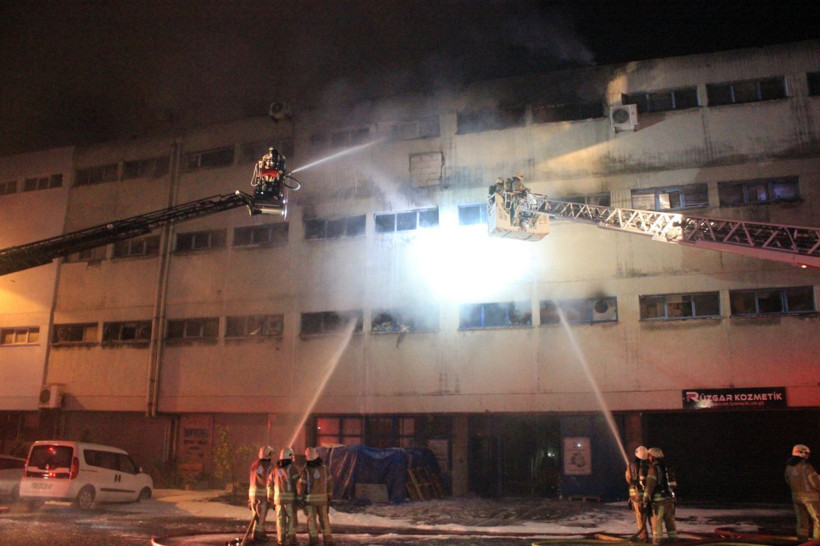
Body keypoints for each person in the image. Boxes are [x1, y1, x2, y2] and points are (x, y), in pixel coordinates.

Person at [298, 447, 334, 546]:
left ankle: (314, 541)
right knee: (324, 521)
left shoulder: (306, 470)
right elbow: (330, 483)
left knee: (312, 522)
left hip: (310, 502)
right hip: (323, 500)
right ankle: (328, 540)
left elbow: (302, 485)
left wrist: (300, 498)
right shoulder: (325, 469)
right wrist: (329, 496)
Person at [785, 443, 820, 542]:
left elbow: (788, 481)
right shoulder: (806, 466)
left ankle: (802, 540)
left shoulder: (788, 467)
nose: (808, 455)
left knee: (802, 521)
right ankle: (817, 541)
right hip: (811, 498)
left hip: (796, 497)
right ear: (802, 453)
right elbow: (814, 482)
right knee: (818, 520)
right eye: (807, 453)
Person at [642, 447, 677, 544]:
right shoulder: (667, 468)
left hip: (658, 502)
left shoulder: (653, 469)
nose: (648, 458)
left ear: (653, 457)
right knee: (670, 522)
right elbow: (674, 484)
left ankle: (657, 542)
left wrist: (645, 499)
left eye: (649, 456)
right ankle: (674, 541)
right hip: (670, 501)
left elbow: (649, 486)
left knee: (657, 523)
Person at [268, 447, 301, 546]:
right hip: (290, 500)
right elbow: (298, 485)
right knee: (292, 519)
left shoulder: (275, 470)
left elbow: (269, 484)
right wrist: (299, 497)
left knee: (280, 520)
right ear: (289, 457)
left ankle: (281, 540)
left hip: (278, 500)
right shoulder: (293, 469)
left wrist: (270, 497)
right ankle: (291, 540)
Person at [247, 445, 274, 542]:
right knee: (261, 518)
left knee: (256, 516)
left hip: (252, 493)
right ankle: (257, 536)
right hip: (262, 495)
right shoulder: (269, 466)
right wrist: (271, 496)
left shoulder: (254, 464)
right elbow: (270, 481)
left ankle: (260, 533)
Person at [625, 445, 650, 541]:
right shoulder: (649, 465)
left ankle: (643, 536)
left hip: (636, 495)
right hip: (649, 493)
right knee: (651, 516)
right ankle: (656, 535)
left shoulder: (631, 465)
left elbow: (628, 478)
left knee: (640, 517)